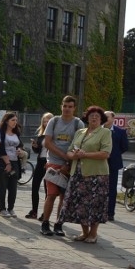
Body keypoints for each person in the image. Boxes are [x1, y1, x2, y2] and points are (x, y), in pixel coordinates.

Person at [59, 106, 112, 243]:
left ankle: (93, 234)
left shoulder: (104, 132)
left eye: (97, 116)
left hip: (96, 175)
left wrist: (85, 154)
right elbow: (70, 151)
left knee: (95, 204)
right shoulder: (80, 132)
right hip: (78, 174)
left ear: (101, 119)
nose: (94, 118)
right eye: (91, 115)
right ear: (87, 118)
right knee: (80, 204)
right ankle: (84, 232)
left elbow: (105, 153)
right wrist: (74, 155)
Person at [40, 95, 84, 237]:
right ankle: (45, 223)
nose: (67, 109)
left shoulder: (78, 124)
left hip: (70, 165)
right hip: (53, 162)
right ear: (61, 106)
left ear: (74, 108)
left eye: (70, 107)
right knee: (51, 194)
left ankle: (59, 223)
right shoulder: (55, 121)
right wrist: (64, 156)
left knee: (64, 197)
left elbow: (79, 145)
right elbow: (47, 142)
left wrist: (69, 161)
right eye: (65, 106)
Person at [0, 111, 23, 218]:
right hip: (3, 162)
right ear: (6, 121)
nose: (15, 122)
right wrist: (7, 163)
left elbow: (19, 145)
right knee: (3, 186)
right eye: (12, 120)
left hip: (15, 162)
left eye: (16, 120)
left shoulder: (17, 133)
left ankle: (11, 208)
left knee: (13, 187)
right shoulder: (1, 132)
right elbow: (0, 148)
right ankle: (2, 209)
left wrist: (20, 150)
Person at [26, 112, 53, 219]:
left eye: (48, 121)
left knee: (48, 189)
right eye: (44, 121)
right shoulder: (41, 134)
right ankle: (34, 211)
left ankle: (45, 213)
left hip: (49, 162)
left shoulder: (54, 134)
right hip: (40, 161)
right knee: (34, 187)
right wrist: (35, 146)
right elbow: (38, 150)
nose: (46, 123)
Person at [104, 111, 129, 221]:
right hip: (99, 163)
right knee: (99, 188)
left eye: (107, 117)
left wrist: (114, 154)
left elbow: (124, 147)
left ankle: (110, 212)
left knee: (111, 189)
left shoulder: (120, 132)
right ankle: (99, 210)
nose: (105, 118)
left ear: (113, 118)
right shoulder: (98, 130)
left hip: (113, 164)